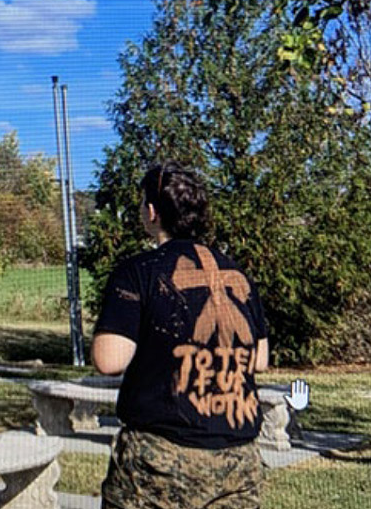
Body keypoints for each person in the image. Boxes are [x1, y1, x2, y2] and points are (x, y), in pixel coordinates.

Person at [92, 161, 269, 509]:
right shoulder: (238, 274)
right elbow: (259, 360)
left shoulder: (137, 272)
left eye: (143, 203)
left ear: (153, 211)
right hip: (238, 459)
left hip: (160, 460)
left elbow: (108, 360)